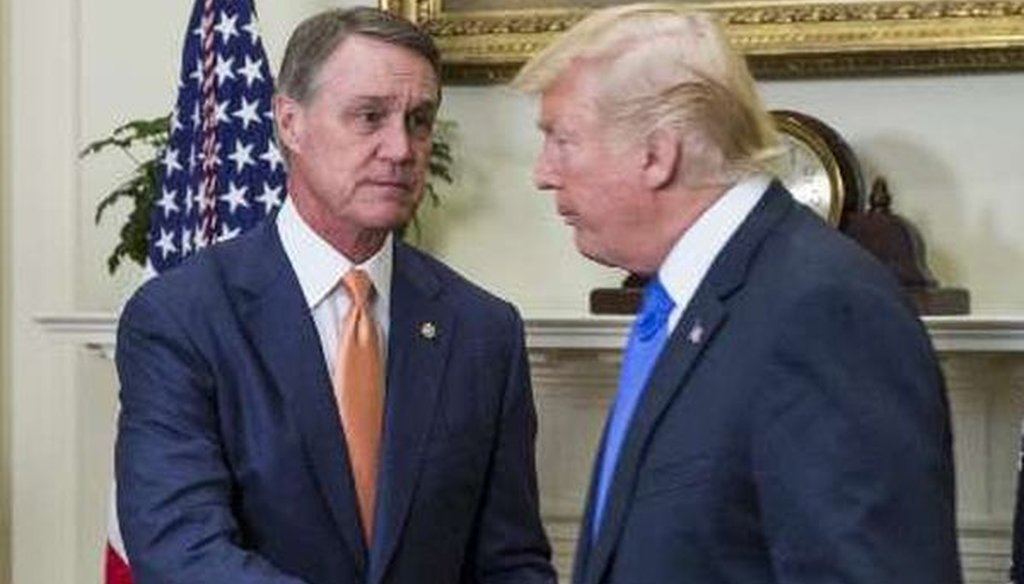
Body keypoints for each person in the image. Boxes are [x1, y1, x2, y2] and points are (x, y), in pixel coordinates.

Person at [512, 4, 962, 584]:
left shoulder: (823, 309)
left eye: (562, 140)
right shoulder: (694, 299)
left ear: (656, 154)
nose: (543, 173)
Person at [115, 7, 555, 584]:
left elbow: (511, 562)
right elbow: (182, 551)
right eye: (369, 117)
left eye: (418, 121)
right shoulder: (182, 317)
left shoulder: (484, 331)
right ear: (289, 123)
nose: (401, 149)